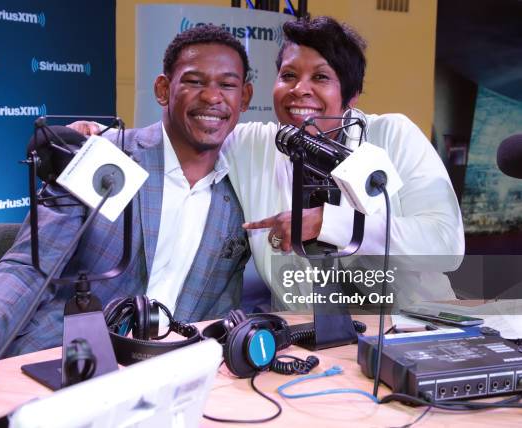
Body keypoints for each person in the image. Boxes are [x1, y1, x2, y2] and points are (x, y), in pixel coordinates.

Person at [0, 25, 253, 392]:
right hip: (63, 368)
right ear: (162, 89)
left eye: (227, 84)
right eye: (194, 81)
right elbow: (31, 264)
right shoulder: (107, 157)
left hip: (171, 383)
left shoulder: (242, 190)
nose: (212, 97)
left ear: (245, 96)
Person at [75, 16, 464, 308]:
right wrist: (101, 136)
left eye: (321, 77)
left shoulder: (391, 135)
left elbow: (447, 244)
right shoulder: (253, 143)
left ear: (351, 95)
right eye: (288, 74)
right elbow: (178, 135)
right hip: (303, 342)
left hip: (412, 326)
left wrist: (328, 225)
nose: (300, 90)